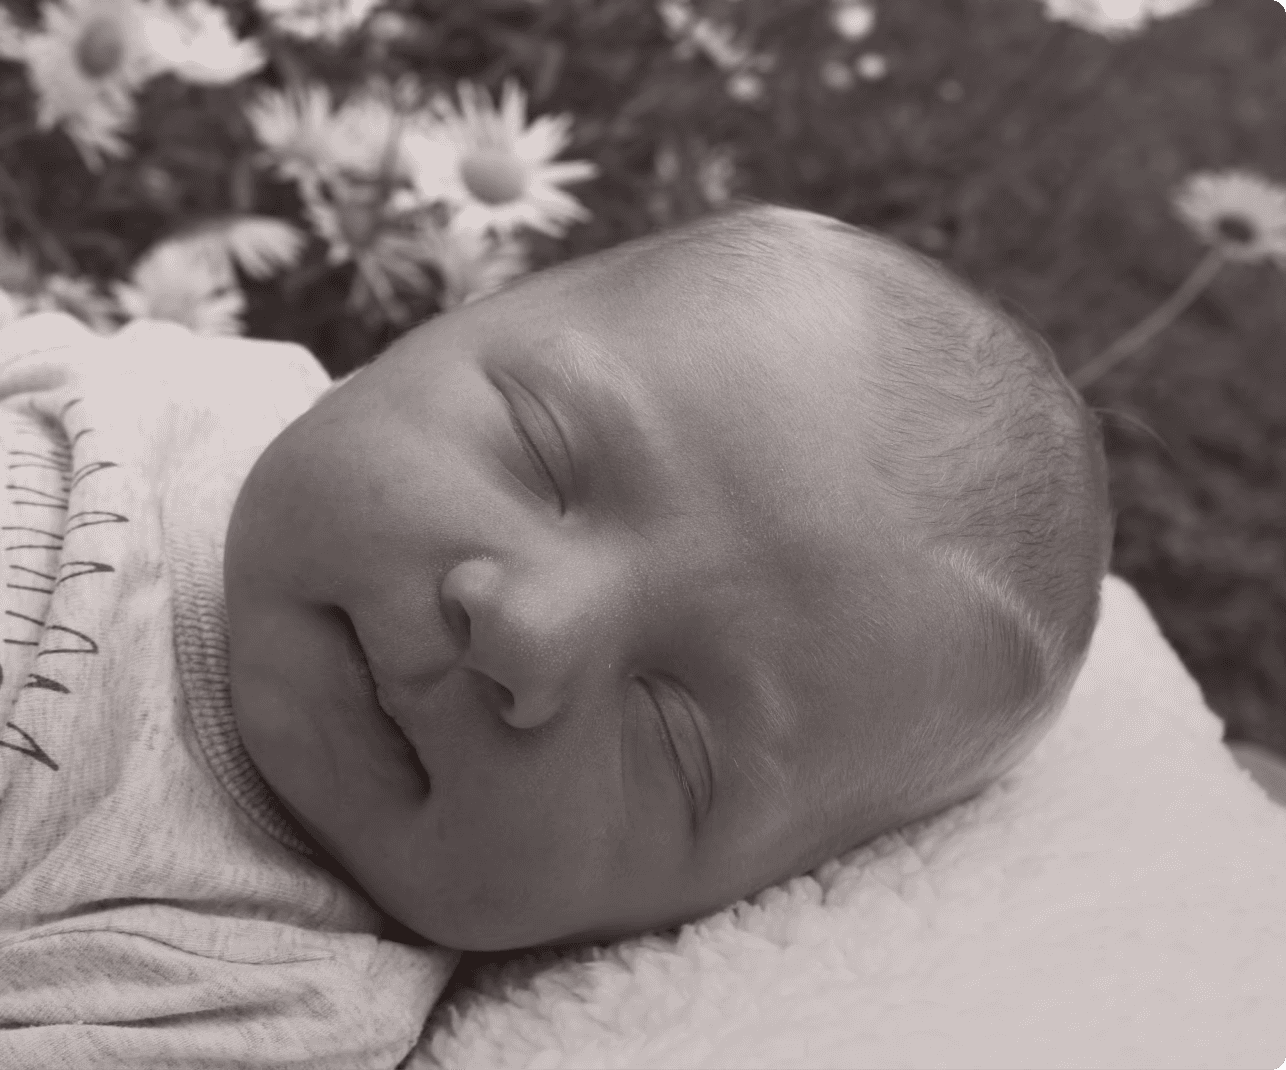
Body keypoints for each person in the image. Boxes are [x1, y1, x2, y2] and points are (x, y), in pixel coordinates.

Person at [0, 203, 1113, 1068]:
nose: (527, 631)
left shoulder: (256, 980)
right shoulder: (207, 390)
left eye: (670, 731)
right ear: (437, 328)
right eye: (538, 452)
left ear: (672, 918)